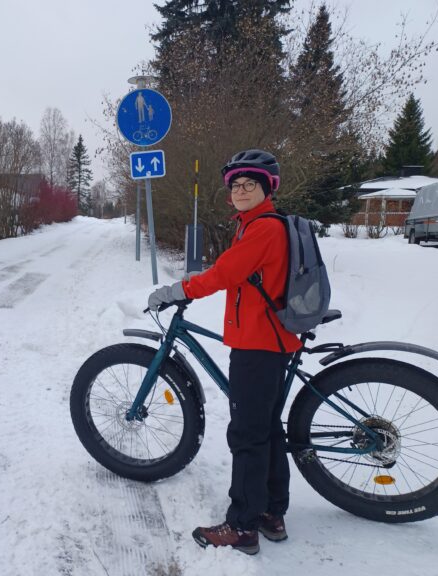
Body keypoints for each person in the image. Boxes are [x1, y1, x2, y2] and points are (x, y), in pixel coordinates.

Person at [147, 149, 302, 555]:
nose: (241, 190)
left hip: (259, 342)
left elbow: (225, 273)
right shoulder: (255, 225)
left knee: (247, 433)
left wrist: (178, 290)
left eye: (251, 184)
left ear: (268, 188)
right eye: (236, 185)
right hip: (267, 339)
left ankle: (243, 526)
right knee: (266, 428)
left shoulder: (264, 228)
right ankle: (270, 512)